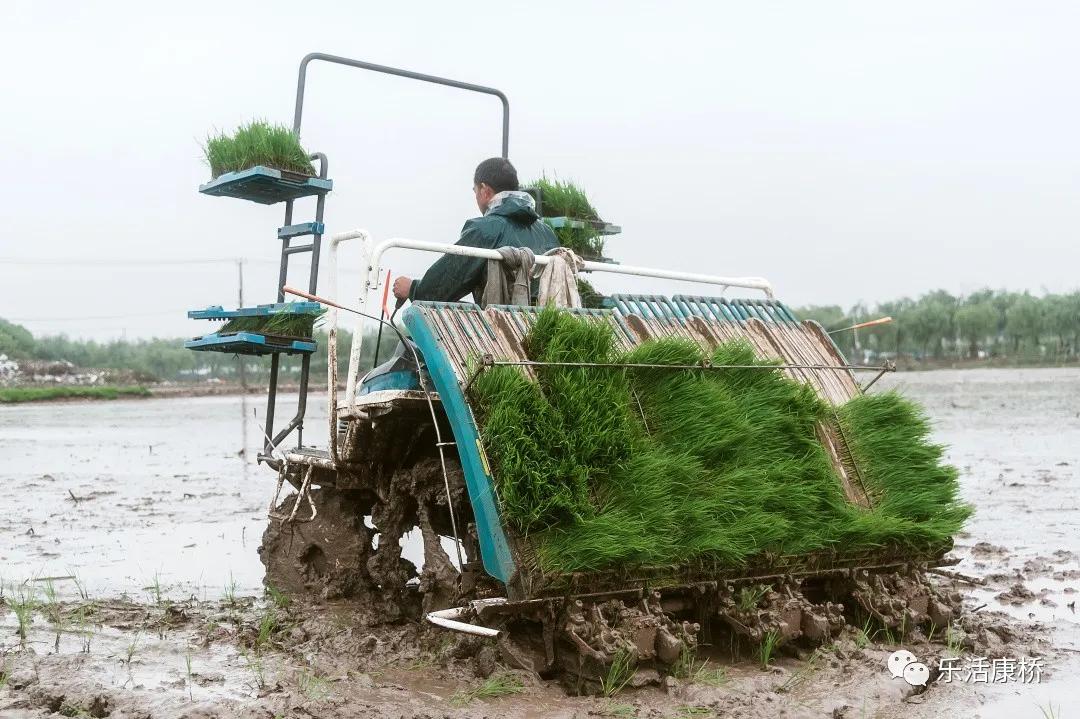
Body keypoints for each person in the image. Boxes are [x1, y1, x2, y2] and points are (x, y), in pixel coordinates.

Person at [391, 157, 558, 303]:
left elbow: (448, 281)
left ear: (485, 191)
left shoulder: (483, 230)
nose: (476, 197)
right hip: (543, 323)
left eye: (475, 191)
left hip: (499, 325)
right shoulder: (548, 233)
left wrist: (413, 289)